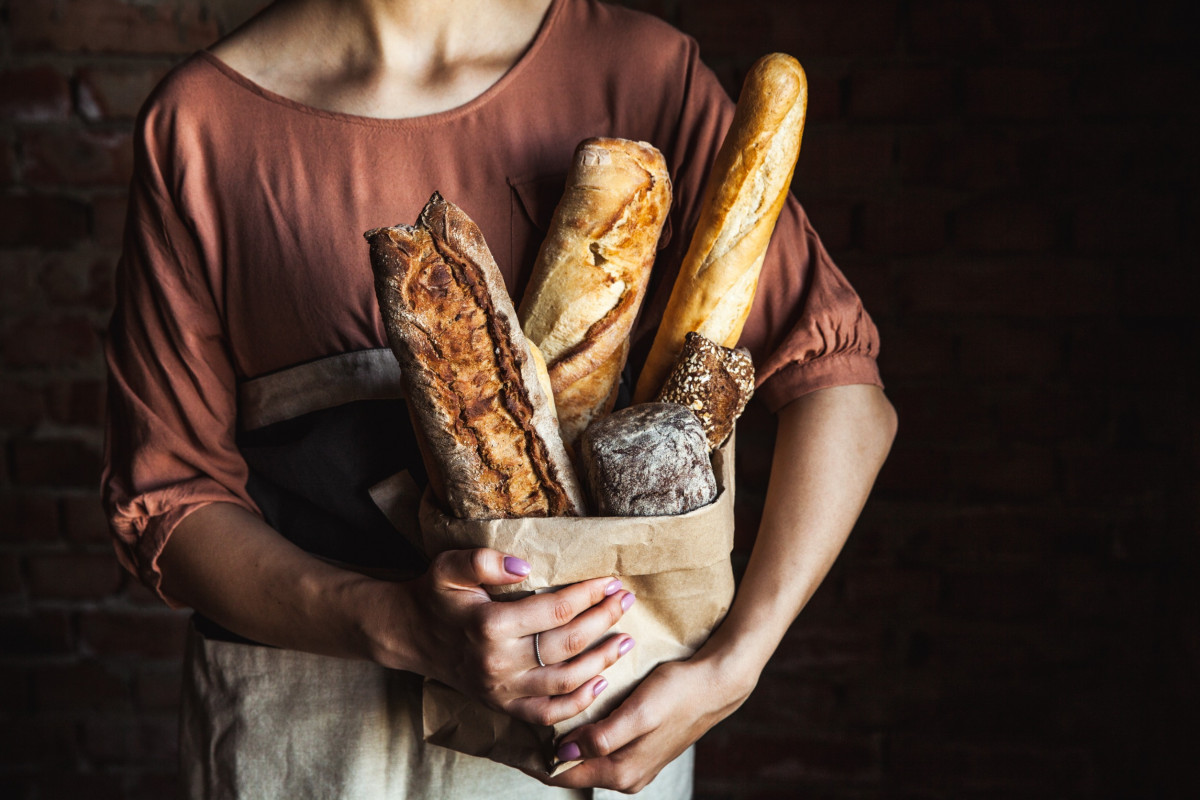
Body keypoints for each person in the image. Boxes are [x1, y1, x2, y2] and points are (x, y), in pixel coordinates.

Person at [101, 0, 897, 797]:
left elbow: (841, 389)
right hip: (304, 739)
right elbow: (170, 501)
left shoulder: (638, 69)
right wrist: (397, 625)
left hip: (593, 740)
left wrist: (735, 663)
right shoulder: (202, 124)